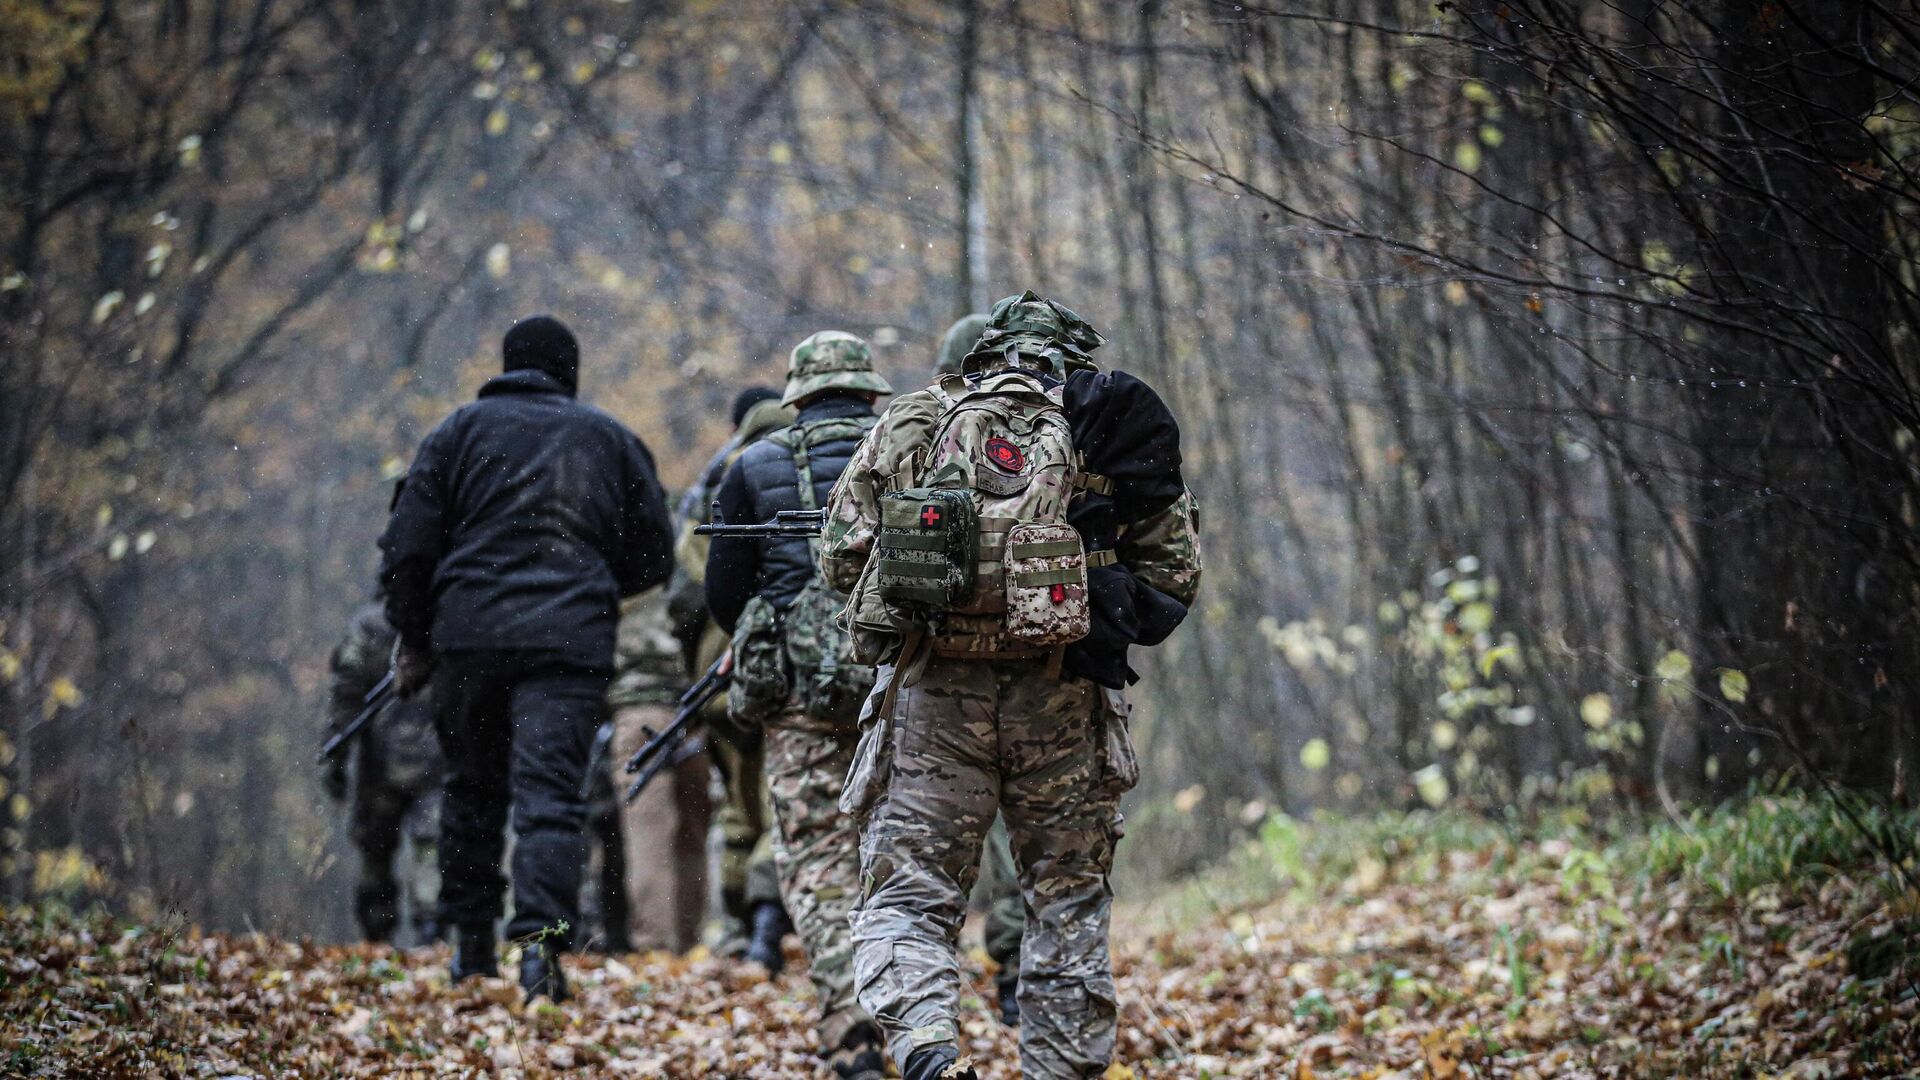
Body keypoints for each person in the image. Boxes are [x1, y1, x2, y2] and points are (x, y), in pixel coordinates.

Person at [822, 293, 1203, 1079]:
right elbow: (1175, 573)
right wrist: (1089, 600)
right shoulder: (1108, 426)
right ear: (1072, 359)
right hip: (1062, 699)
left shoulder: (917, 420)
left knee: (909, 895)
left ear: (983, 355)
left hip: (934, 697)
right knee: (1063, 902)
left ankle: (929, 1048)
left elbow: (841, 557)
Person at [378, 315, 673, 1003]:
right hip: (568, 647)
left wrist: (418, 635)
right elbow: (655, 553)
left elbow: (407, 549)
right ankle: (541, 954)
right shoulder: (609, 439)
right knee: (550, 802)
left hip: (469, 641)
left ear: (508, 361)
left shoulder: (454, 435)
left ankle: (471, 947)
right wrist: (593, 584)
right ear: (569, 371)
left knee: (471, 793)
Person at [706, 332, 891, 1080]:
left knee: (819, 861)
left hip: (799, 702)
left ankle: (851, 1028)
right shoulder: (911, 450)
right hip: (901, 688)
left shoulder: (751, 467)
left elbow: (723, 595)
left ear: (798, 396)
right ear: (869, 391)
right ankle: (908, 1015)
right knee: (897, 861)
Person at [666, 387, 795, 963]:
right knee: (779, 796)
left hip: (719, 673)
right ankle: (769, 922)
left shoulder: (710, 489)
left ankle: (739, 924)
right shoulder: (802, 472)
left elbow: (686, 597)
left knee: (738, 804)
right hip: (786, 665)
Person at [935, 313, 1025, 1026]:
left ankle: (926, 1017)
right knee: (1032, 835)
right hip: (1044, 664)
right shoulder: (1060, 432)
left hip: (948, 675)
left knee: (932, 846)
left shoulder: (924, 435)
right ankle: (1020, 975)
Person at [323, 600, 443, 946]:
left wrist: (337, 755)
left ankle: (382, 940)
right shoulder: (448, 618)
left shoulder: (371, 627)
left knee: (379, 856)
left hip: (385, 766)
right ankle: (427, 936)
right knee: (429, 852)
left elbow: (345, 696)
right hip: (433, 761)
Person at [607, 582, 712, 954]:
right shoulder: (687, 573)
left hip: (639, 708)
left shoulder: (611, 571)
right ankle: (689, 946)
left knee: (647, 835)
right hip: (695, 708)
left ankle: (656, 948)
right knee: (690, 834)